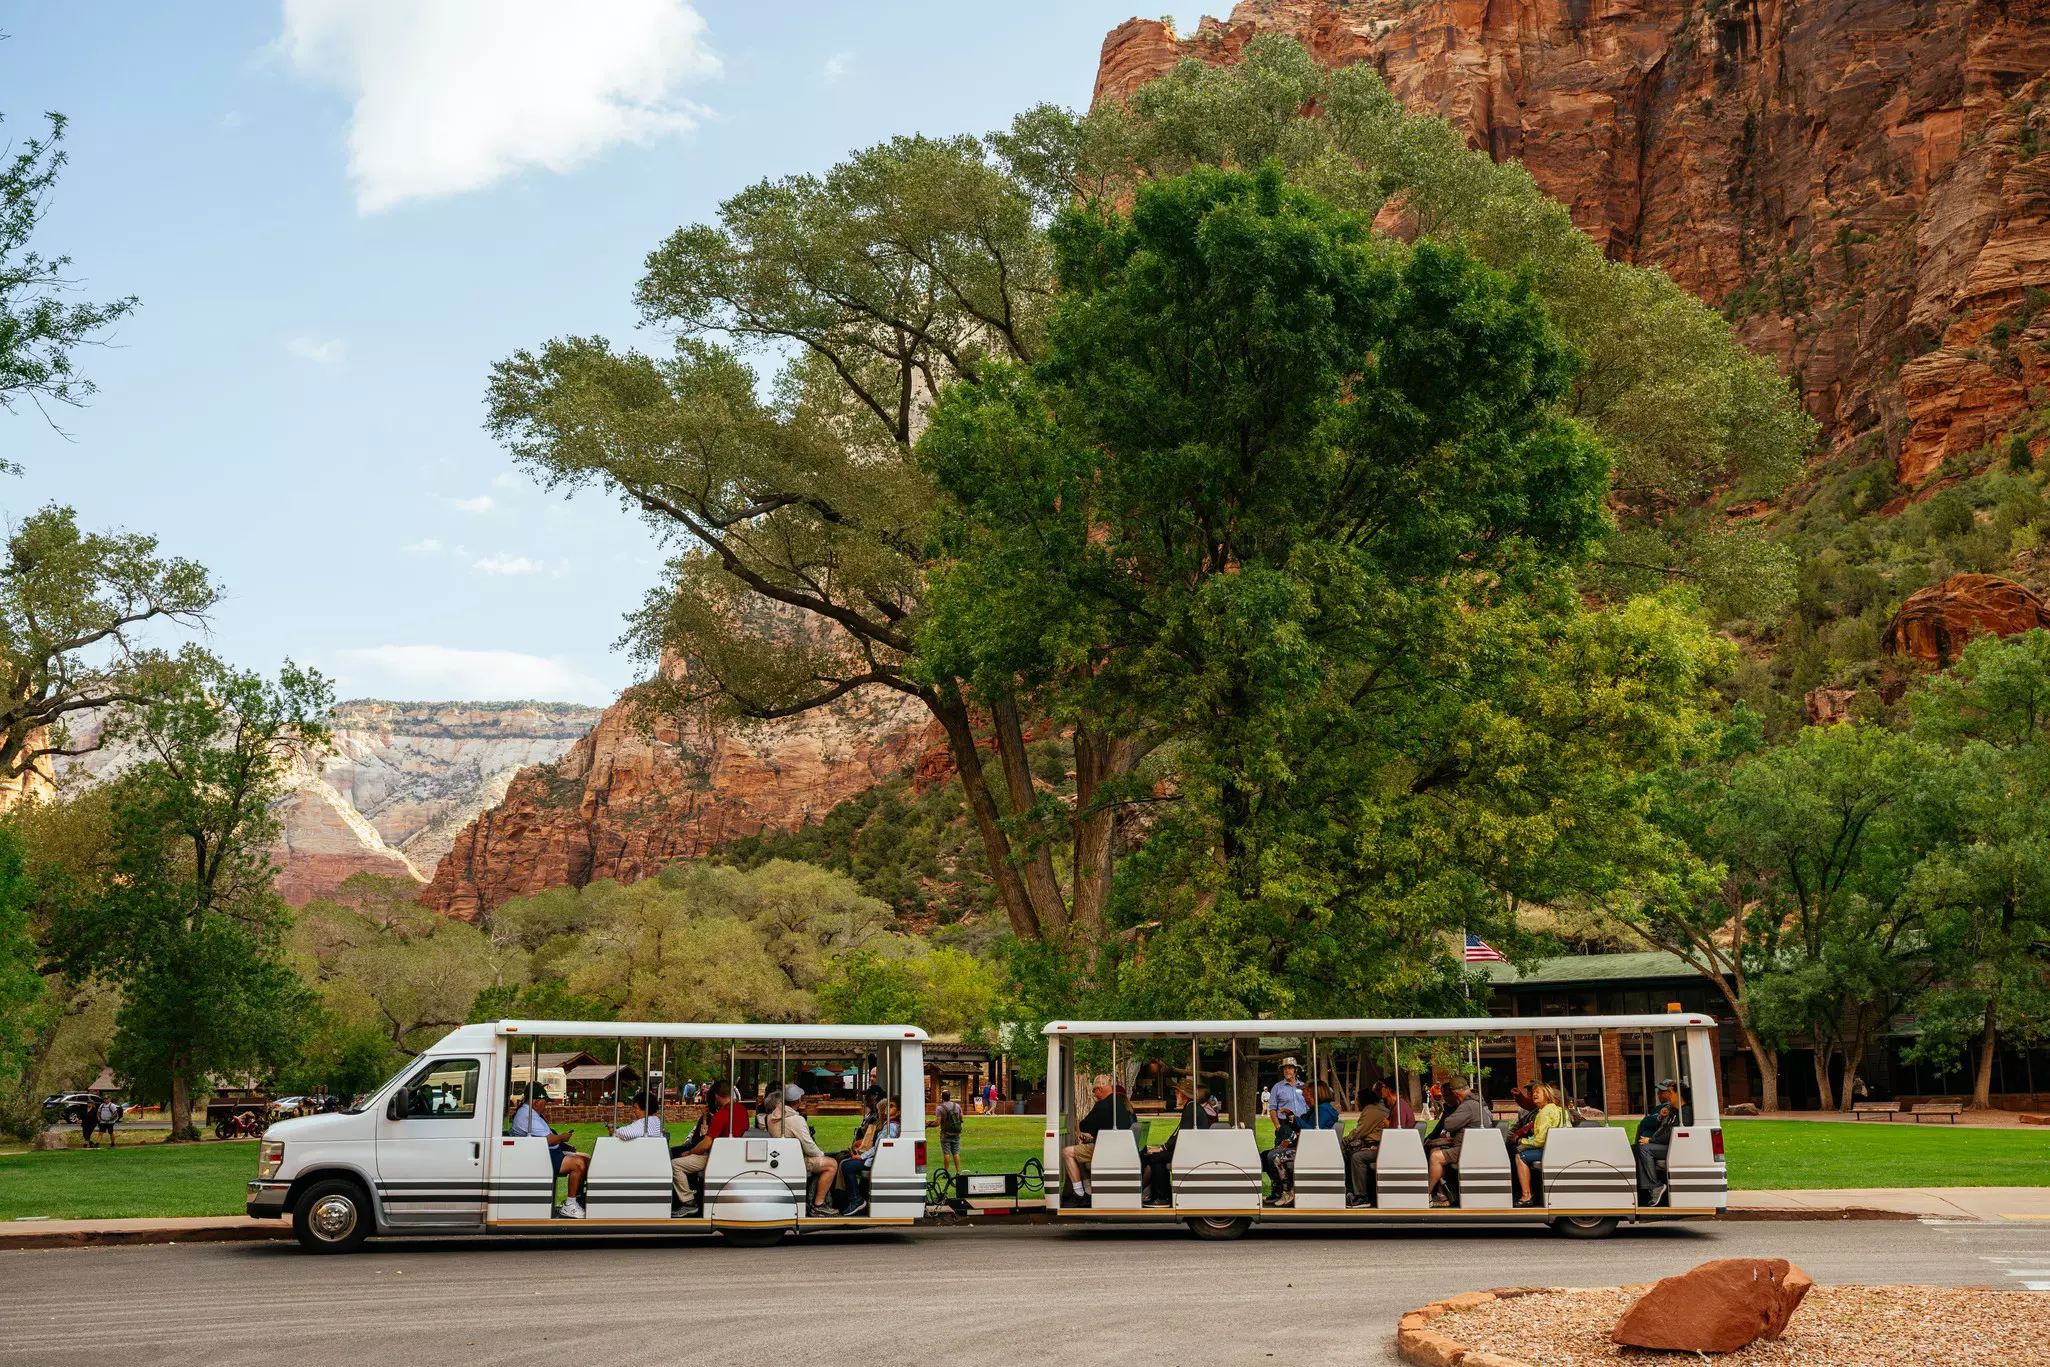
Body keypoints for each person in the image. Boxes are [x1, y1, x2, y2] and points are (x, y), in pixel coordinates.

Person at [510, 1088, 588, 1218]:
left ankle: (577, 1199)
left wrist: (564, 1145)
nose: (546, 1106)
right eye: (545, 1102)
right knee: (579, 1164)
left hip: (545, 1151)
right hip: (540, 1155)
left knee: (586, 1158)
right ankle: (570, 1204)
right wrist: (562, 1138)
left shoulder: (530, 1113)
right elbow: (549, 1140)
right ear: (536, 1102)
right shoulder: (527, 1116)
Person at [671, 1079, 749, 1209]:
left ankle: (688, 1201)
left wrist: (689, 1153)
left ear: (717, 1096)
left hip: (716, 1156)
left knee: (675, 1165)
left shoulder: (721, 1115)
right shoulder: (742, 1110)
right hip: (733, 1153)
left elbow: (705, 1144)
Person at [1061, 1075, 1135, 1203]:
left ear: (1100, 1089)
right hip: (1124, 1148)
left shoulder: (1103, 1105)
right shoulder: (1123, 1103)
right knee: (1080, 1153)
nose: (1094, 1094)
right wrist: (1091, 1137)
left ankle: (1079, 1193)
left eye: (1094, 1091)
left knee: (1067, 1152)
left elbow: (1084, 1125)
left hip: (1107, 1151)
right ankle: (1088, 1189)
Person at [768, 1084, 839, 1214]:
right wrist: (822, 1154)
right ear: (799, 1100)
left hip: (782, 1156)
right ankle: (819, 1204)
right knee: (832, 1164)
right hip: (797, 1160)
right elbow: (809, 1147)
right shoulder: (796, 1120)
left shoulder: (771, 1118)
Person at [1142, 1080, 1210, 1206]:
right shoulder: (1191, 1108)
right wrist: (1163, 1147)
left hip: (1190, 1153)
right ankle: (1159, 1193)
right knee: (1155, 1155)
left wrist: (1162, 1148)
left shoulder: (1191, 1109)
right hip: (1191, 1149)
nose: (1175, 1093)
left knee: (1155, 1158)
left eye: (1177, 1091)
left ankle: (1162, 1197)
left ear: (1184, 1094)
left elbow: (1181, 1135)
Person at [1424, 1076, 1488, 1207]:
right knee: (1435, 1150)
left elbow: (1449, 1123)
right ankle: (1443, 1195)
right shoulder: (1474, 1102)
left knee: (1436, 1157)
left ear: (1455, 1093)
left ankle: (1425, 1194)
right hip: (1469, 1145)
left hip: (1468, 1148)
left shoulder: (1468, 1105)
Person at [1634, 1079, 1689, 1205]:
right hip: (1666, 1146)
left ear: (1679, 1095)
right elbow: (1662, 1129)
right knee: (1636, 1148)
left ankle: (1655, 1186)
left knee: (1643, 1149)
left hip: (1675, 1148)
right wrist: (1660, 1118)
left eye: (1670, 1092)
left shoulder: (1685, 1111)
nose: (1668, 1095)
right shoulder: (1673, 1110)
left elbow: (1672, 1134)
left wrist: (1651, 1140)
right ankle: (1642, 1190)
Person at [1514, 1082, 1568, 1207]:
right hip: (1560, 1149)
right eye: (1533, 1092)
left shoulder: (1544, 1112)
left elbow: (1540, 1140)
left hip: (1549, 1151)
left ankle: (1526, 1195)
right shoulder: (1560, 1110)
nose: (1534, 1094)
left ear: (1547, 1095)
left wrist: (1522, 1141)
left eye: (1537, 1092)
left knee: (1520, 1156)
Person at [1343, 1081, 1392, 1206]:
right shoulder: (1377, 1108)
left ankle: (1359, 1195)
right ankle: (1353, 1190)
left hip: (1377, 1145)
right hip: (1379, 1144)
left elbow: (1359, 1132)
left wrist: (1342, 1141)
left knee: (1353, 1155)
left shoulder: (1371, 1110)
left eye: (1357, 1099)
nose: (1356, 1102)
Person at [934, 1088, 964, 1187]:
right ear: (950, 1096)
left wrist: (928, 1124)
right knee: (956, 1153)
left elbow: (937, 1122)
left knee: (946, 1153)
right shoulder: (957, 1106)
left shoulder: (940, 1108)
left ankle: (946, 1173)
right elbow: (962, 1119)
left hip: (945, 1133)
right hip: (956, 1133)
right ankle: (958, 1172)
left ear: (942, 1097)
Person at [1267, 1058, 1310, 1125]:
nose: (1287, 1070)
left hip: (1302, 1122)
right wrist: (1278, 1127)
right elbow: (1272, 1109)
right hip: (1284, 1124)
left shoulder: (1304, 1086)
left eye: (1290, 1068)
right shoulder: (1277, 1087)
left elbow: (1309, 1107)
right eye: (1285, 1068)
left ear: (1295, 1070)